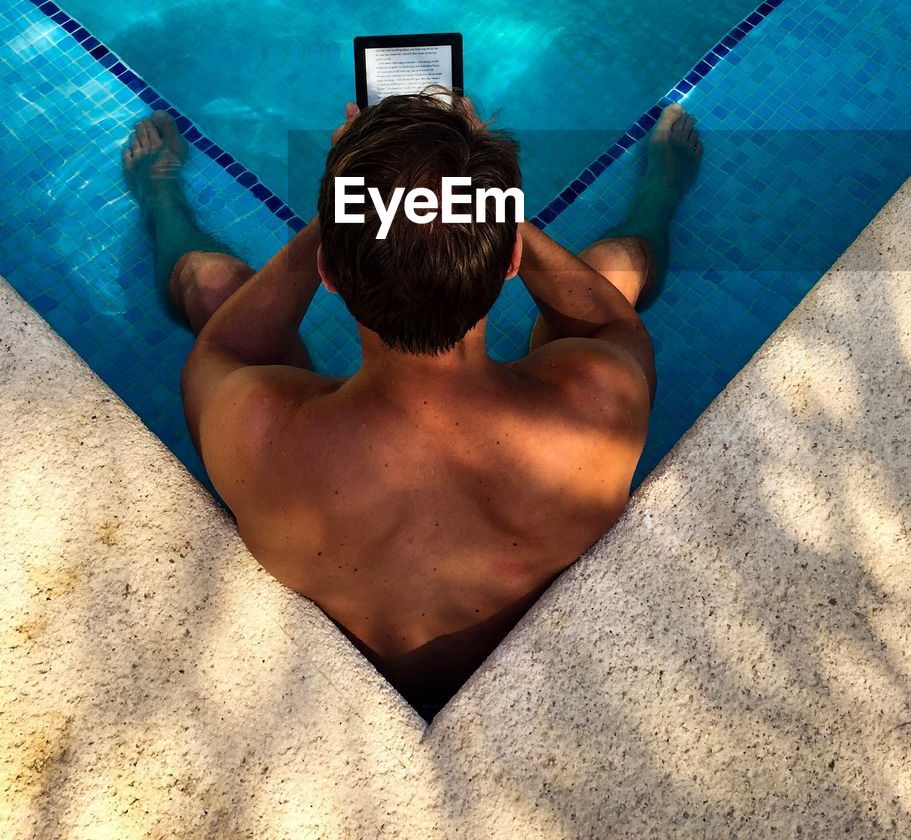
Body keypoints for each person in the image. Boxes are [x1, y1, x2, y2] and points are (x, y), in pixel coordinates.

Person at [122, 92, 701, 720]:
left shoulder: (256, 428)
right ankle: (658, 196)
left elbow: (221, 348)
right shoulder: (598, 399)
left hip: (345, 664)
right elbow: (616, 330)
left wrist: (338, 213)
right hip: (524, 665)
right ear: (510, 258)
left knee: (215, 286)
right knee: (614, 270)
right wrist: (495, 214)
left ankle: (160, 197)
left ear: (329, 273)